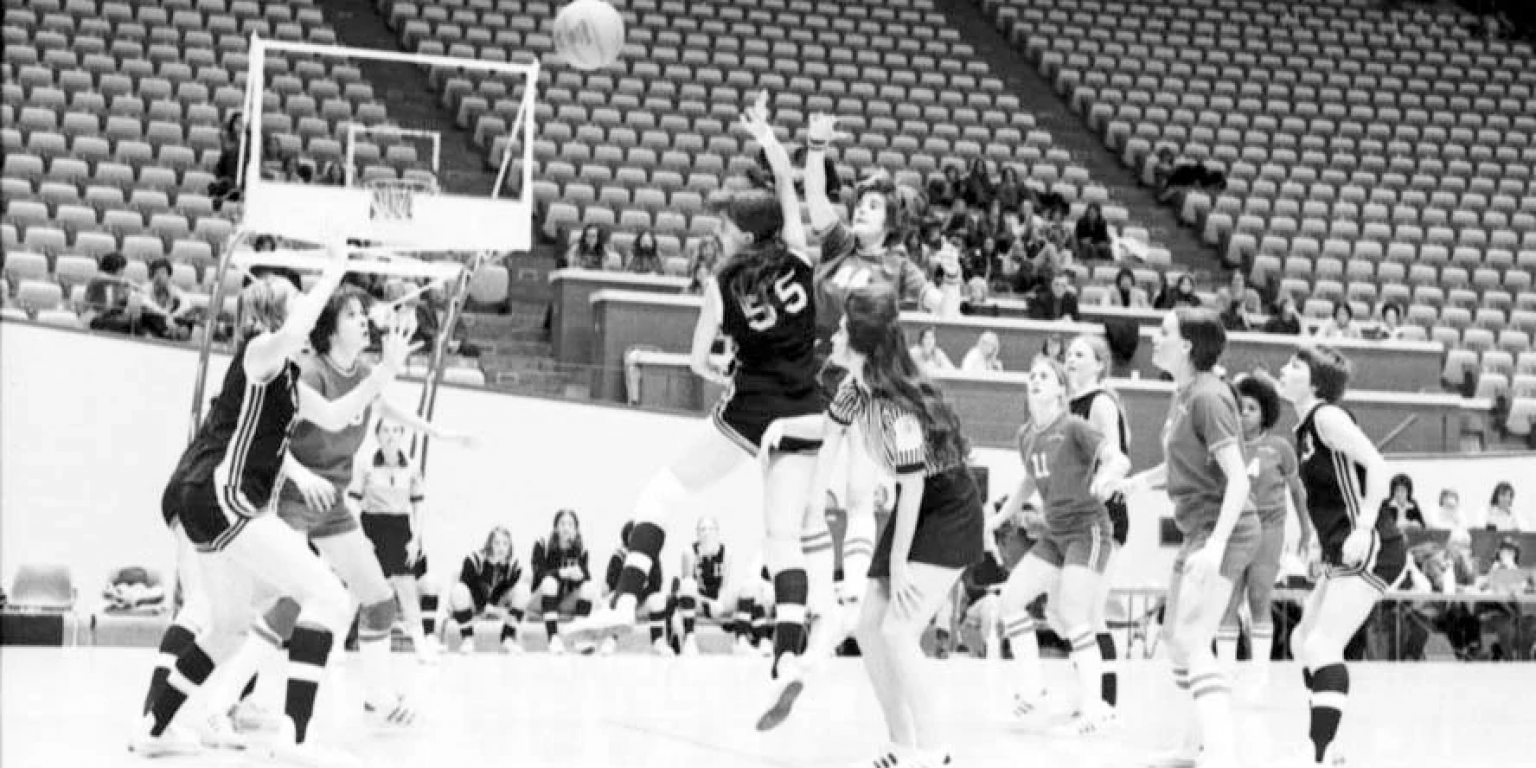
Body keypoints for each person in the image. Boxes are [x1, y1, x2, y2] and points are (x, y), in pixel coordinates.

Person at [136, 240, 412, 764]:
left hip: (212, 502)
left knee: (228, 625)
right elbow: (293, 331)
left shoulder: (288, 378)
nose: (306, 302)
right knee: (329, 595)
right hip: (225, 496)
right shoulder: (260, 353)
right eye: (296, 298)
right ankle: (296, 739)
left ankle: (154, 726)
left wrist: (386, 371)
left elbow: (334, 415)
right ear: (271, 314)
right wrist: (336, 268)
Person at [593, 97, 831, 689]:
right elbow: (784, 182)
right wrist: (770, 137)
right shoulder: (800, 257)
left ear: (745, 236)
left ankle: (624, 601)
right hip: (805, 408)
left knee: (662, 492)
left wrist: (722, 372)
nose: (718, 233)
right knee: (783, 535)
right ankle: (786, 652)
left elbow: (699, 358)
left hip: (749, 410)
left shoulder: (720, 286)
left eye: (726, 227)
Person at [202, 283, 471, 731]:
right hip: (293, 495)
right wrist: (302, 477)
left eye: (365, 315)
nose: (363, 321)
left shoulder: (363, 372)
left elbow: (387, 407)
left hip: (334, 503)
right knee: (290, 604)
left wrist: (442, 434)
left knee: (380, 599)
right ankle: (223, 701)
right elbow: (273, 439)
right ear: (329, 328)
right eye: (352, 315)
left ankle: (379, 698)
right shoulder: (310, 374)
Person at [763, 284, 984, 764]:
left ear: (861, 341)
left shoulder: (894, 410)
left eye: (843, 328)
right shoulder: (853, 389)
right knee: (867, 626)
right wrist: (814, 500)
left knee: (900, 633)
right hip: (918, 506)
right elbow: (831, 437)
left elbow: (914, 487)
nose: (836, 332)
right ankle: (900, 744)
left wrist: (901, 562)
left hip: (948, 510)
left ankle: (935, 752)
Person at [1111, 308, 1256, 768]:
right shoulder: (1183, 395)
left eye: (1165, 332)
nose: (1155, 338)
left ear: (1188, 345)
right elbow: (1178, 464)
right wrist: (1139, 483)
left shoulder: (1209, 397)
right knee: (1176, 639)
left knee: (1193, 641)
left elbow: (1239, 479)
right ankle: (1191, 747)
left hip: (1224, 532)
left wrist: (1215, 548)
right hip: (1199, 529)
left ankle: (1223, 753)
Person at [1274, 345, 1406, 766]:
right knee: (1301, 641)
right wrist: (1316, 542)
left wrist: (1365, 527)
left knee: (1322, 642)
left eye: (1294, 366)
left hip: (1373, 546)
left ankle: (1319, 750)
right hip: (1339, 549)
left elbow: (1377, 466)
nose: (1283, 369)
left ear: (1314, 382)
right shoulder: (1304, 430)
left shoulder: (1327, 417)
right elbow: (1329, 494)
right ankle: (1326, 742)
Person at [996, 355, 1130, 736]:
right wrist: (998, 517)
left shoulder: (1073, 426)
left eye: (1044, 376)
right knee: (1010, 602)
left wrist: (1107, 475)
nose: (1036, 380)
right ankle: (1033, 689)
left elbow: (1116, 457)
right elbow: (1027, 482)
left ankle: (1097, 709)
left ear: (1059, 389)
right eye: (1031, 375)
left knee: (1074, 614)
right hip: (1054, 533)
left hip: (1088, 530)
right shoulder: (1026, 435)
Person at [1214, 374, 1311, 696]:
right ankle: (1225, 675)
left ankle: (1259, 676)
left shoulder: (1280, 447)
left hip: (1269, 529)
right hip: (1236, 529)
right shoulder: (1225, 447)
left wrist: (1306, 530)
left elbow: (1298, 492)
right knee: (1227, 601)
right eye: (1239, 408)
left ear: (1265, 413)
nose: (1244, 414)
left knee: (1258, 597)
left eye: (1252, 409)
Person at [1064, 334, 1133, 713]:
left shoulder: (1101, 402)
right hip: (1076, 518)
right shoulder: (1066, 404)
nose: (1070, 359)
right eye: (1068, 353)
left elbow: (1115, 460)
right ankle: (1087, 692)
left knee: (1091, 611)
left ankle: (1105, 701)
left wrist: (1095, 491)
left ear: (1099, 364)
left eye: (1080, 354)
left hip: (1105, 516)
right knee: (1069, 612)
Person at [351, 418, 436, 661]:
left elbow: (419, 505)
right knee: (358, 587)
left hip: (400, 528)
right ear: (377, 435)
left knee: (407, 587)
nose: (390, 435)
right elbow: (353, 501)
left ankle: (420, 644)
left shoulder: (412, 465)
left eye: (396, 430)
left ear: (402, 435)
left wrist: (415, 540)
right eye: (385, 430)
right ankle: (336, 643)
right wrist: (361, 537)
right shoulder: (365, 463)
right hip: (371, 526)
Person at [674, 515, 765, 655]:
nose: (707, 532)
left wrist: (720, 602)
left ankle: (742, 641)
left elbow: (724, 585)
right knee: (687, 584)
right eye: (702, 529)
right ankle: (689, 639)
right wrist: (708, 602)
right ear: (697, 533)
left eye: (710, 528)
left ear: (717, 531)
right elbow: (687, 587)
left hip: (718, 601)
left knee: (749, 588)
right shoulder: (689, 552)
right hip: (698, 602)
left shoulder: (727, 552)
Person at [447, 526, 530, 654]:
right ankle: (467, 638)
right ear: (489, 544)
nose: (501, 547)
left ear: (510, 547)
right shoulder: (474, 560)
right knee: (459, 590)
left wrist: (494, 608)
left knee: (523, 589)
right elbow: (472, 589)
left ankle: (507, 637)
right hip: (475, 603)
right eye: (497, 543)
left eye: (505, 543)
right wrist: (493, 610)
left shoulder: (514, 566)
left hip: (497, 603)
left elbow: (501, 591)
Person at [531, 508, 599, 654]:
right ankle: (553, 637)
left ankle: (579, 637)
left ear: (576, 529)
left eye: (570, 524)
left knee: (588, 586)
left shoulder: (580, 548)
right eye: (562, 523)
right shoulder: (543, 544)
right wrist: (562, 573)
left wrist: (580, 575)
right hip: (540, 601)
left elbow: (587, 576)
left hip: (564, 600)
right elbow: (538, 574)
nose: (566, 527)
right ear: (555, 527)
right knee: (550, 582)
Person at [600, 521, 671, 655]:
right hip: (622, 600)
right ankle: (610, 639)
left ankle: (658, 640)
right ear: (627, 536)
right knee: (612, 598)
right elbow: (612, 582)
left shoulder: (652, 555)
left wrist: (638, 595)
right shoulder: (619, 555)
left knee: (658, 599)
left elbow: (656, 585)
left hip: (641, 601)